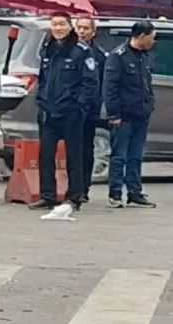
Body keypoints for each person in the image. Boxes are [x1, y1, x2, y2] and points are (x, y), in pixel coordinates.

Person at [32, 12, 97, 211]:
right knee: (45, 156)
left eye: (62, 24)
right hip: (49, 112)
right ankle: (47, 196)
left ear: (70, 27)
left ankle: (74, 197)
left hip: (71, 113)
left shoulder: (81, 51)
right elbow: (43, 80)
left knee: (74, 157)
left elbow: (90, 83)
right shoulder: (48, 50)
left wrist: (79, 107)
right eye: (54, 24)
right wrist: (41, 100)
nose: (58, 28)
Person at [103, 21, 157, 209]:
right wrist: (113, 114)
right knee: (119, 156)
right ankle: (115, 193)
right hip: (123, 116)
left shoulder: (143, 56)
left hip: (141, 114)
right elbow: (110, 88)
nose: (153, 40)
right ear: (141, 36)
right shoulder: (118, 57)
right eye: (152, 36)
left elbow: (146, 83)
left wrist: (150, 103)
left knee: (136, 156)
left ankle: (134, 192)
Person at [74, 16, 106, 202]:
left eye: (86, 28)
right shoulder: (69, 51)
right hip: (69, 109)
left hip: (89, 111)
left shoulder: (98, 55)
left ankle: (83, 188)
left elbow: (100, 83)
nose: (82, 31)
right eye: (80, 27)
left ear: (93, 32)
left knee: (86, 150)